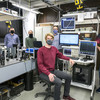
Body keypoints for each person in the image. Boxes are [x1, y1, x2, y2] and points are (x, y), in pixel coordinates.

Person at [37, 33, 75, 100]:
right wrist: (48, 74)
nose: (50, 40)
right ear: (45, 39)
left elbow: (61, 56)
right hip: (44, 73)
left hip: (52, 70)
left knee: (68, 77)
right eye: (48, 38)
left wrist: (69, 59)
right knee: (59, 82)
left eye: (51, 38)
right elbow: (40, 65)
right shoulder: (41, 50)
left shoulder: (54, 49)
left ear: (53, 40)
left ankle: (66, 95)